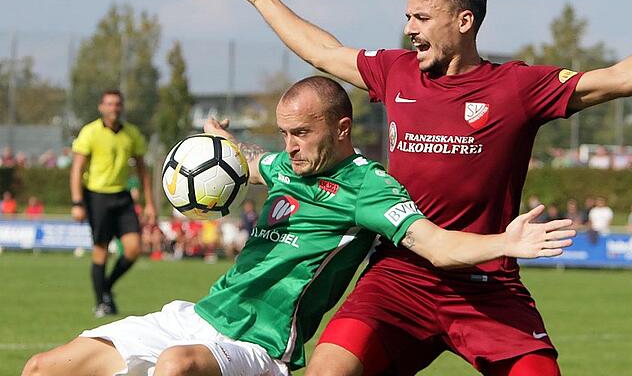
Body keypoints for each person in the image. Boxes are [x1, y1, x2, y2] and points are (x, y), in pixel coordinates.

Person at [217, 0, 632, 374]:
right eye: (408, 15)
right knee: (327, 371)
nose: (409, 28)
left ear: (463, 22)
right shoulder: (396, 72)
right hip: (399, 277)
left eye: (421, 17)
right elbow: (322, 52)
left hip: (487, 287)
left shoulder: (517, 88)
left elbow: (619, 78)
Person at [22, 76, 575, 376]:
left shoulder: (369, 188)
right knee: (43, 367)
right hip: (195, 317)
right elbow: (250, 159)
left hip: (261, 347)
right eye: (283, 133)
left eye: (300, 134)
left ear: (339, 129)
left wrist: (506, 241)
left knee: (175, 370)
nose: (288, 146)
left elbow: (435, 244)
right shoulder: (286, 164)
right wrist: (220, 141)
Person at [69, 89, 157, 318]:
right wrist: (77, 202)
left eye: (117, 104)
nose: (114, 108)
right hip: (97, 196)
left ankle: (106, 287)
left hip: (122, 196)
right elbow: (77, 168)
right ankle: (101, 302)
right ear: (101, 107)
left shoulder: (132, 134)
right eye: (109, 104)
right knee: (101, 252)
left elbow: (142, 169)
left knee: (134, 248)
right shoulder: (90, 132)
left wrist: (150, 203)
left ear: (122, 107)